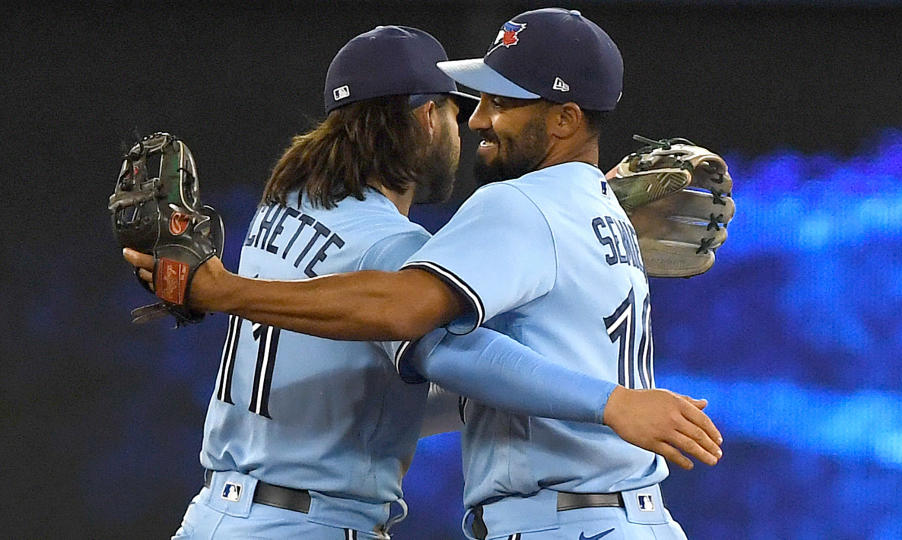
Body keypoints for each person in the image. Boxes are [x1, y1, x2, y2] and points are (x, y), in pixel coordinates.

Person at [151, 23, 721, 540]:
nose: (473, 121)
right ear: (426, 118)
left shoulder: (283, 208)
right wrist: (610, 400)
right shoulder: (409, 242)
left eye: (497, 103)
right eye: (460, 108)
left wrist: (215, 287)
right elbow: (438, 340)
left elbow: (431, 351)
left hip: (216, 514)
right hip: (321, 523)